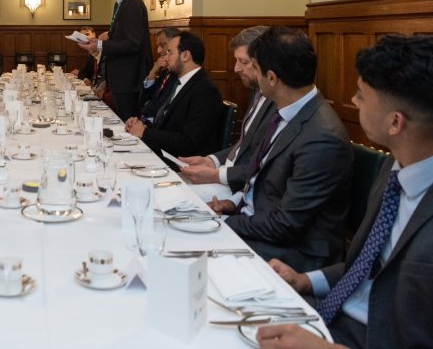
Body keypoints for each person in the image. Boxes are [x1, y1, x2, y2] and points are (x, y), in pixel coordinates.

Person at [258, 34, 433, 349]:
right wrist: (304, 279)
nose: (353, 101)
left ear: (395, 122)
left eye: (361, 95)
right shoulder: (396, 168)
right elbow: (371, 267)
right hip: (331, 311)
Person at [210, 27, 352, 272]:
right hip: (260, 225)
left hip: (294, 252)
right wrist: (234, 202)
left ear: (272, 78)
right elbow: (262, 178)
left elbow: (286, 225)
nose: (244, 72)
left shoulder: (321, 138)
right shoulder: (284, 111)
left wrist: (224, 223)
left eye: (253, 66)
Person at [180, 26, 276, 201]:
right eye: (236, 60)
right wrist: (211, 160)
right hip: (225, 175)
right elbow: (244, 144)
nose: (236, 68)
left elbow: (264, 164)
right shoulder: (256, 90)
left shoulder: (278, 101)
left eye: (243, 62)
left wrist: (216, 174)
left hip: (239, 188)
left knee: (172, 196)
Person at [125, 30, 223, 158]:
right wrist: (141, 126)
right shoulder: (180, 82)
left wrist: (144, 133)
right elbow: (164, 123)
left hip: (181, 163)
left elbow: (189, 142)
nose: (165, 57)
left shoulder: (205, 91)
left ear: (185, 55)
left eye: (170, 52)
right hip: (162, 152)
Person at [78, 0, 152, 120]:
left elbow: (133, 43)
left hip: (129, 79)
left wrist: (99, 44)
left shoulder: (131, 3)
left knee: (128, 125)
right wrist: (96, 45)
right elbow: (119, 39)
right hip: (122, 79)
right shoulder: (121, 3)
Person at [138, 27, 179, 123]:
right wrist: (153, 72)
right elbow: (143, 100)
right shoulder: (165, 72)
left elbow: (159, 106)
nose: (158, 51)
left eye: (162, 45)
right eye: (158, 46)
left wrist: (146, 107)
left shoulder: (178, 75)